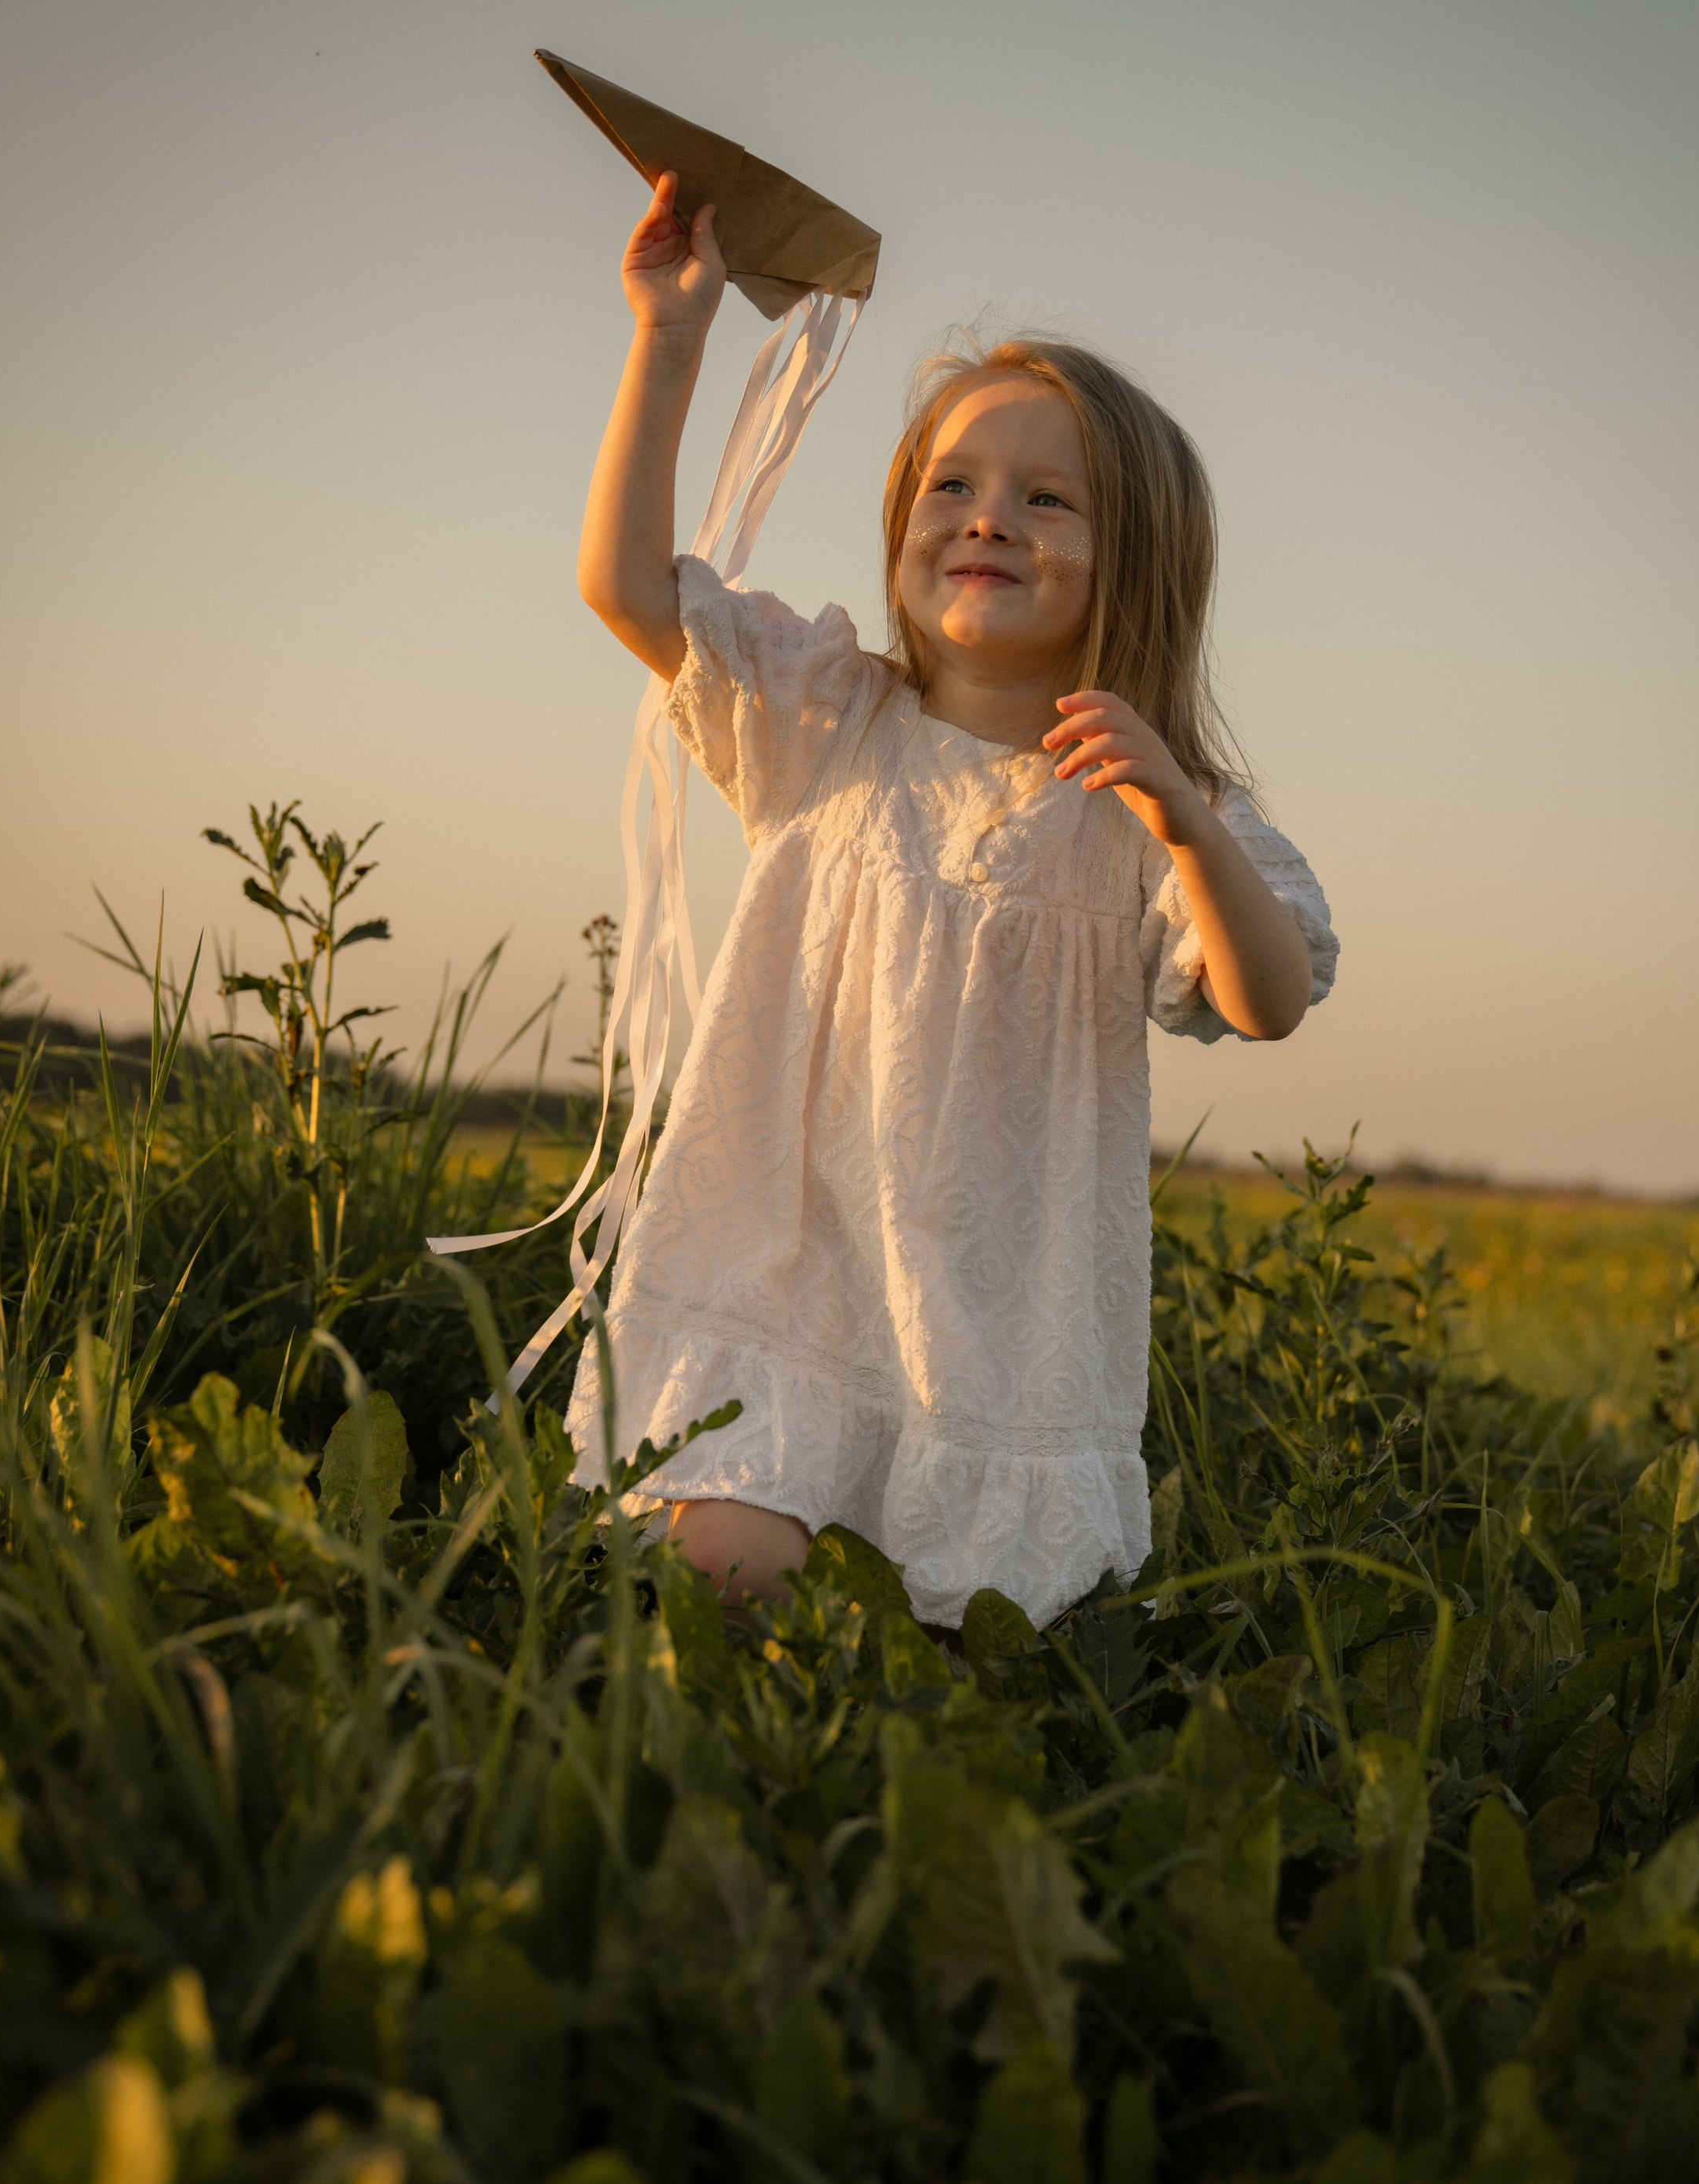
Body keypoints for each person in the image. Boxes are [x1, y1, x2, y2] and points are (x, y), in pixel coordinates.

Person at [571, 171, 1338, 1628]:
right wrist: (670, 341)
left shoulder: (1146, 810)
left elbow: (1267, 998)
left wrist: (1183, 822)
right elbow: (625, 585)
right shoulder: (825, 723)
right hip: (785, 1280)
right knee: (726, 1575)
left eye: (1049, 498)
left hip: (995, 1332)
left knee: (967, 1631)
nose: (990, 519)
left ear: (1139, 561)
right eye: (956, 486)